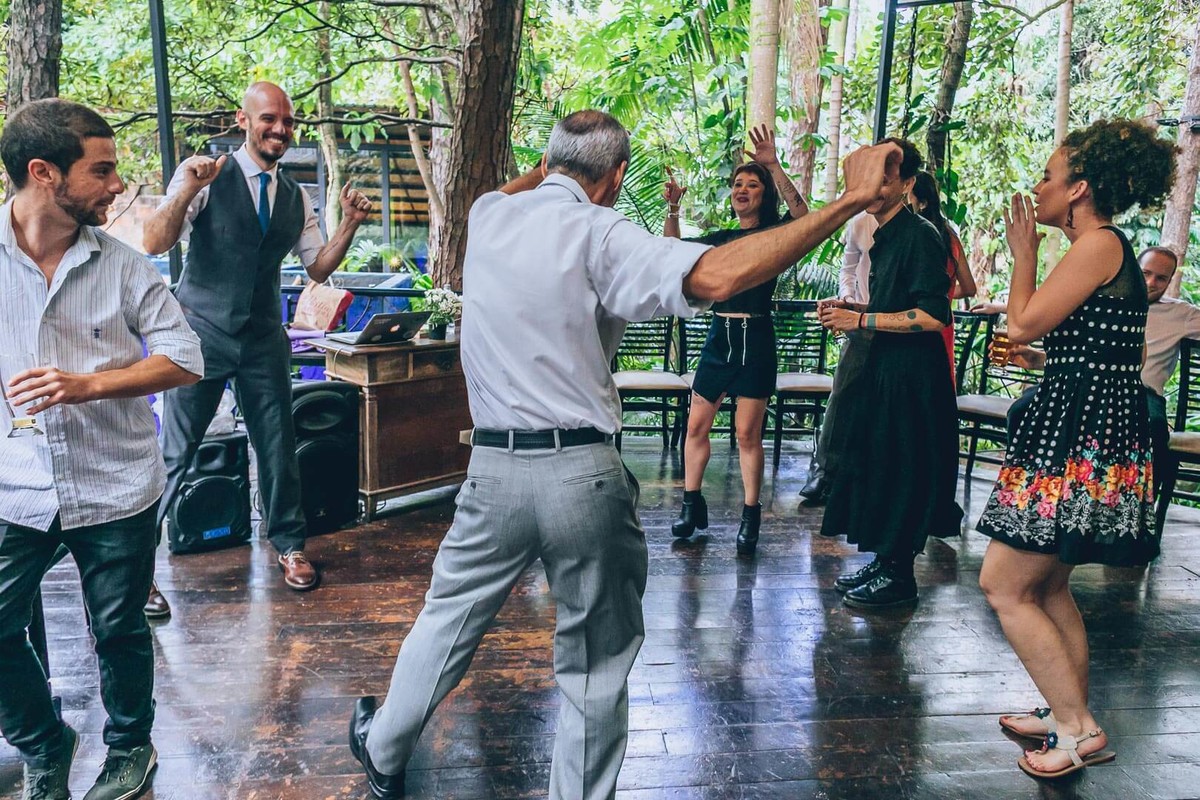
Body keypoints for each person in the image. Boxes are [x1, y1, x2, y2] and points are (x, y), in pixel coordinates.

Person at [347, 110, 900, 800]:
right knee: (593, 666)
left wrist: (554, 166)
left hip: (492, 471)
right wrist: (849, 200)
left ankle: (384, 749)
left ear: (547, 164)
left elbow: (535, 183)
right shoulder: (602, 232)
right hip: (582, 476)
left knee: (446, 620)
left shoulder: (490, 215)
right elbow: (720, 277)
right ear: (614, 181)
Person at [0, 99, 204, 800]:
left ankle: (130, 751)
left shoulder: (123, 266)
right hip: (15, 483)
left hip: (115, 480)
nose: (119, 184)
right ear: (43, 173)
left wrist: (89, 384)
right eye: (103, 169)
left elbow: (184, 358)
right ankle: (44, 742)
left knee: (117, 630)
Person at [975, 119, 1176, 778]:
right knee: (1051, 586)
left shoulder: (1096, 245)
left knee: (1004, 586)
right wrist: (1045, 354)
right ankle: (1067, 708)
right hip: (1085, 425)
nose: (1039, 188)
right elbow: (1085, 343)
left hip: (1078, 438)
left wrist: (1022, 251)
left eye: (1049, 177)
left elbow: (1023, 319)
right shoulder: (1104, 249)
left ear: (1080, 189)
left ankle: (1076, 728)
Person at [142, 82, 373, 610]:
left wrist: (352, 225)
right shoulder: (204, 176)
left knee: (277, 448)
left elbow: (317, 266)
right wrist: (182, 191)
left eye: (288, 122)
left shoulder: (295, 196)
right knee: (176, 453)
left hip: (265, 339)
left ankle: (290, 547)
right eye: (269, 119)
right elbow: (154, 242)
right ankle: (138, 571)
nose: (281, 130)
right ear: (243, 122)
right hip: (199, 334)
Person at [816, 138, 964, 609]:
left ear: (906, 183)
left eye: (885, 176)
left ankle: (901, 575)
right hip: (887, 370)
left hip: (913, 380)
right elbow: (896, 307)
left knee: (903, 469)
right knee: (882, 465)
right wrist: (855, 307)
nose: (874, 187)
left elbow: (933, 314)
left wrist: (861, 320)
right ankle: (886, 560)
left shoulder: (920, 233)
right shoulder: (885, 234)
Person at [664, 125, 808, 555]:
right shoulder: (723, 240)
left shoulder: (775, 236)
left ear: (764, 195)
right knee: (696, 425)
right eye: (738, 185)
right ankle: (692, 506)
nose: (743, 190)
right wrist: (673, 208)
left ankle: (750, 514)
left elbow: (804, 218)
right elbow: (673, 254)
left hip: (757, 338)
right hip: (720, 337)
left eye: (752, 184)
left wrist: (773, 164)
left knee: (748, 434)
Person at [980, 245, 1198, 502]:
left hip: (1142, 393)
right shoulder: (1105, 302)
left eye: (1161, 278)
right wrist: (1031, 349)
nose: (1151, 282)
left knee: (1155, 428)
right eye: (1145, 273)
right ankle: (1028, 494)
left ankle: (1142, 508)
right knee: (1022, 409)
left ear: (1171, 280)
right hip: (1085, 383)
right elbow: (1070, 338)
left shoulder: (1182, 314)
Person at [796, 211, 878, 507]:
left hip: (898, 325)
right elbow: (848, 269)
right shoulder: (859, 223)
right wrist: (847, 298)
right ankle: (824, 473)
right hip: (860, 320)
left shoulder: (918, 228)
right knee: (842, 395)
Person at [908, 171, 976, 382]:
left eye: (906, 197)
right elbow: (969, 288)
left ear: (923, 203)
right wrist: (943, 294)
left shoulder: (915, 236)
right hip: (942, 321)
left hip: (914, 321)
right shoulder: (949, 236)